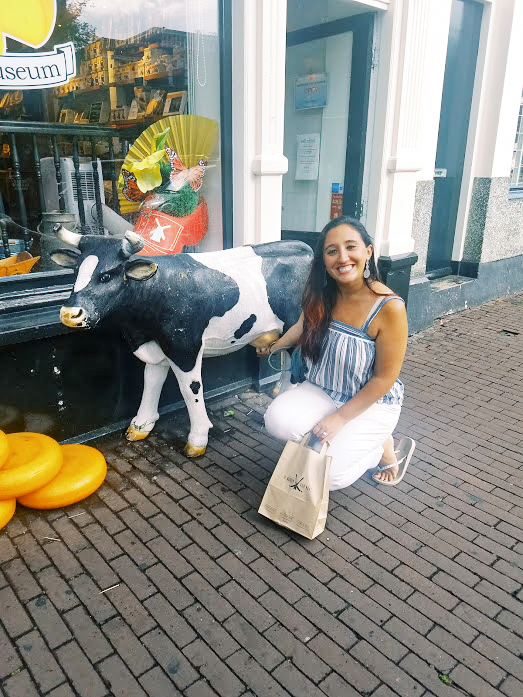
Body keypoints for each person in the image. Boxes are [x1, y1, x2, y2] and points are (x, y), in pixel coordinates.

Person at [261, 216, 415, 490]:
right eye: (332, 251)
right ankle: (355, 441)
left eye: (351, 247)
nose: (342, 258)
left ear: (368, 251)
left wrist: (341, 418)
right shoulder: (324, 294)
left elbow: (384, 379)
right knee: (276, 420)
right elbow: (302, 325)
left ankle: (381, 448)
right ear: (324, 260)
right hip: (324, 388)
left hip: (372, 402)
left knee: (328, 476)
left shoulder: (389, 307)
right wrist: (273, 347)